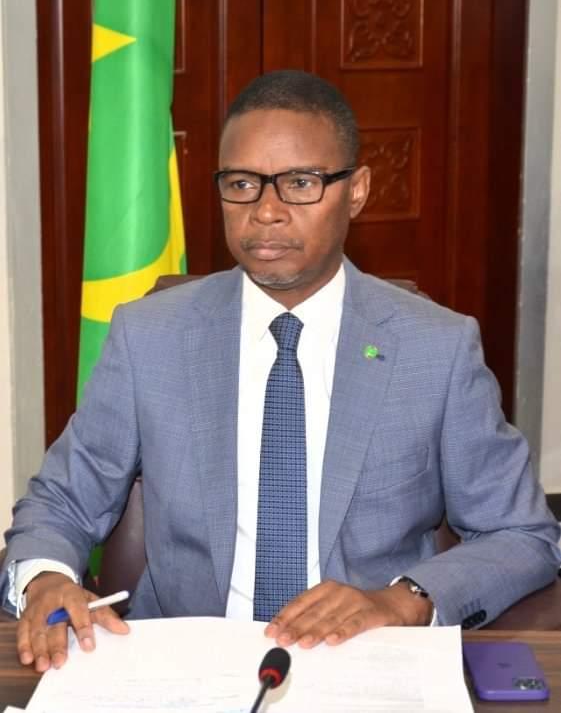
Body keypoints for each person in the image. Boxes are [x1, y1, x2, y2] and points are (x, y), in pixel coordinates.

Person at [1, 70, 559, 673]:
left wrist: (402, 601)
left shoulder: (437, 349)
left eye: (300, 183)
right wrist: (45, 579)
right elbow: (62, 502)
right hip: (186, 666)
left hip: (367, 664)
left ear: (356, 191)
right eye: (241, 184)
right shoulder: (150, 337)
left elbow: (522, 536)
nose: (266, 212)